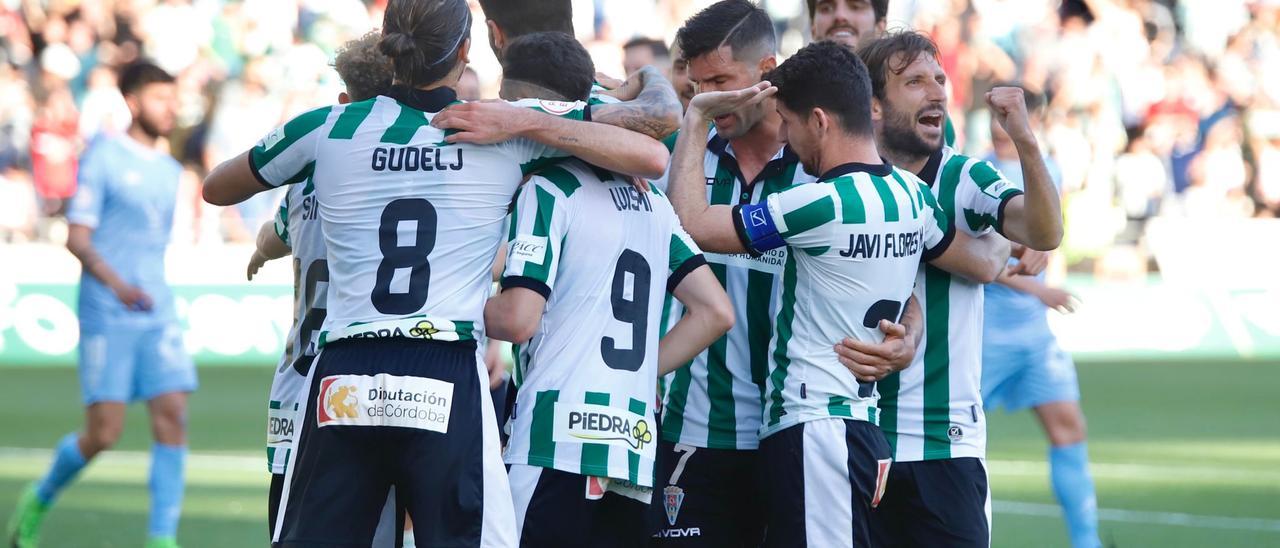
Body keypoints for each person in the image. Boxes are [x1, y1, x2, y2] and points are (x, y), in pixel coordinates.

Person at [201, 0, 673, 544]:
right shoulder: (497, 129)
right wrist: (533, 120)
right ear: (466, 50)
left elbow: (217, 187)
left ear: (386, 48)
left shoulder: (327, 126)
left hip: (344, 367)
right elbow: (652, 150)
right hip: (444, 362)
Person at [667, 40, 1008, 548]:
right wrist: (915, 325)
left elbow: (693, 223)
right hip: (862, 427)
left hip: (814, 425)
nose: (785, 135)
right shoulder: (912, 197)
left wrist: (695, 122)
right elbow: (955, 267)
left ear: (820, 122)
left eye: (789, 121)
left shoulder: (819, 203)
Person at [650, 3, 922, 544]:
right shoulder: (676, 157)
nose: (707, 95)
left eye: (722, 80)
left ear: (765, 72)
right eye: (696, 81)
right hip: (699, 430)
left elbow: (901, 268)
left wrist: (909, 333)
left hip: (798, 427)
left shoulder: (824, 167)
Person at [484, 32, 733, 547]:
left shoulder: (549, 189)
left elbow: (519, 318)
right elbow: (715, 312)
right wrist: (640, 370)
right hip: (633, 444)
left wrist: (449, 308)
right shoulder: (654, 206)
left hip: (554, 442)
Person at [853, 31, 1064, 547]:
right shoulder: (835, 180)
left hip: (943, 446)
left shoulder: (965, 177)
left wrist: (1026, 141)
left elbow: (1044, 231)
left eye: (940, 79)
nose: (937, 93)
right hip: (852, 436)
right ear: (874, 106)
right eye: (915, 82)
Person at [8, 61, 195, 548]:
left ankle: (161, 538)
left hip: (156, 309)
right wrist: (119, 286)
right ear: (133, 102)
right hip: (108, 310)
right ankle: (41, 495)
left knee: (173, 412)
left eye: (173, 98)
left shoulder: (172, 170)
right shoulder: (104, 157)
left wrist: (143, 288)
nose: (170, 107)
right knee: (104, 434)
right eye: (159, 98)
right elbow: (78, 237)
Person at [242, 30, 405, 546]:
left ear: (342, 103)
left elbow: (277, 232)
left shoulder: (307, 183)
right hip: (367, 389)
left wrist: (260, 252)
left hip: (297, 387)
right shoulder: (409, 178)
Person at [981, 89, 1100, 548]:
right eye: (995, 112)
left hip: (1033, 334)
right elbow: (979, 256)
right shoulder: (975, 171)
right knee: (962, 440)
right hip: (985, 333)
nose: (1001, 120)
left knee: (1068, 425)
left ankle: (1086, 542)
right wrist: (1039, 289)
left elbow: (1051, 238)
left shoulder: (1049, 168)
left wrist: (1050, 280)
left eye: (1011, 111)